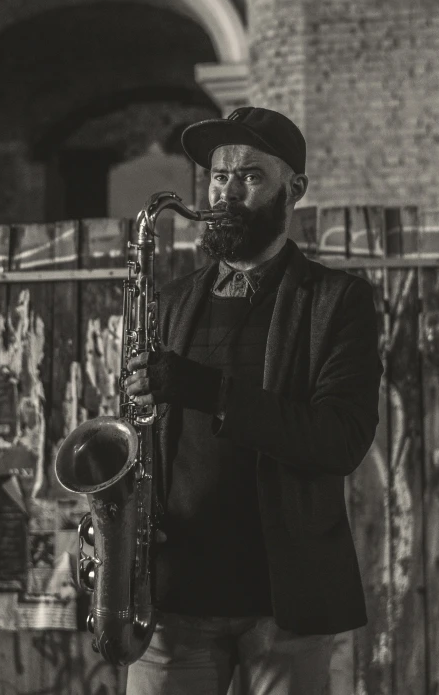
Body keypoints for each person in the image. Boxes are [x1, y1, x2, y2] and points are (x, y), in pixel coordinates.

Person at [124, 106, 383, 695]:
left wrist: (207, 391)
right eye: (218, 177)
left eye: (250, 177)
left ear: (295, 190)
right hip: (174, 597)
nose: (226, 193)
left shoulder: (337, 301)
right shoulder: (168, 302)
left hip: (284, 602)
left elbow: (339, 439)